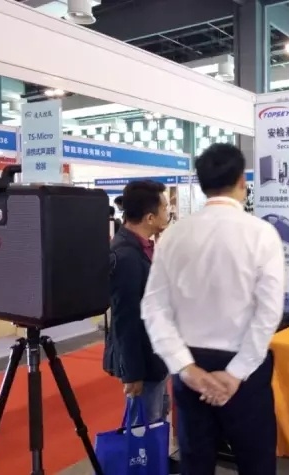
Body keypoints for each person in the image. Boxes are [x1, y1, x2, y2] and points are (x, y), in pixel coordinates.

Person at [141, 143, 285, 475]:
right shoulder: (262, 233)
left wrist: (185, 367)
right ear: (242, 181)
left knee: (196, 461)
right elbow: (268, 312)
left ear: (202, 183)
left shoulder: (174, 235)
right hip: (245, 367)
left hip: (192, 367)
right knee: (256, 463)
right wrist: (236, 373)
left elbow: (154, 307)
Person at [103, 180, 180, 474]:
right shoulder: (125, 255)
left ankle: (157, 461)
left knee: (158, 414)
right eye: (165, 207)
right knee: (142, 423)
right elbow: (126, 320)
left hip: (156, 353)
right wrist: (132, 373)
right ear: (149, 217)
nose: (168, 211)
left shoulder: (144, 246)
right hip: (142, 361)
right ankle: (143, 466)